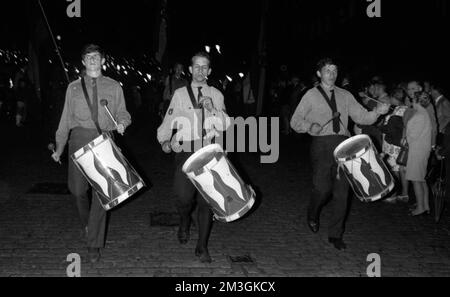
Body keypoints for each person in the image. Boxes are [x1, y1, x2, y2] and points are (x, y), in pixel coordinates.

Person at [290, 58, 389, 250]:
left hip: (344, 145)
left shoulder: (345, 95)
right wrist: (310, 126)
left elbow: (362, 117)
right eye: (327, 70)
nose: (332, 74)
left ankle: (336, 234)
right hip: (322, 144)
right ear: (319, 73)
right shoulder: (310, 95)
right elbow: (295, 121)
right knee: (322, 188)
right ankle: (312, 212)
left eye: (334, 70)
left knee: (342, 193)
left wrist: (378, 111)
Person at [51, 44, 131, 263]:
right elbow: (65, 120)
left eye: (96, 56)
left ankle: (93, 243)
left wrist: (122, 122)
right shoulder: (73, 88)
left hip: (104, 140)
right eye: (89, 57)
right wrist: (59, 148)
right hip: (78, 140)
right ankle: (89, 225)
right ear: (84, 62)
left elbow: (123, 112)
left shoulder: (114, 86)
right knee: (77, 191)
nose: (93, 60)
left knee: (101, 194)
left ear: (102, 61)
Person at [157, 52, 230, 262]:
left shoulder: (216, 94)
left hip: (208, 151)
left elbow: (226, 124)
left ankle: (202, 246)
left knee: (206, 200)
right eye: (196, 67)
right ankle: (184, 219)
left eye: (204, 67)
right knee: (183, 197)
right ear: (190, 70)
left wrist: (213, 109)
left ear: (209, 71)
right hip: (185, 150)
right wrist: (164, 140)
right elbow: (169, 118)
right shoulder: (180, 94)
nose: (200, 70)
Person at [404, 91, 432, 216]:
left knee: (416, 179)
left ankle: (420, 207)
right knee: (421, 179)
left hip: (417, 150)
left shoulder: (420, 115)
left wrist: (406, 138)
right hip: (421, 149)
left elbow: (413, 136)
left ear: (415, 100)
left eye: (412, 99)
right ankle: (425, 206)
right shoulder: (422, 114)